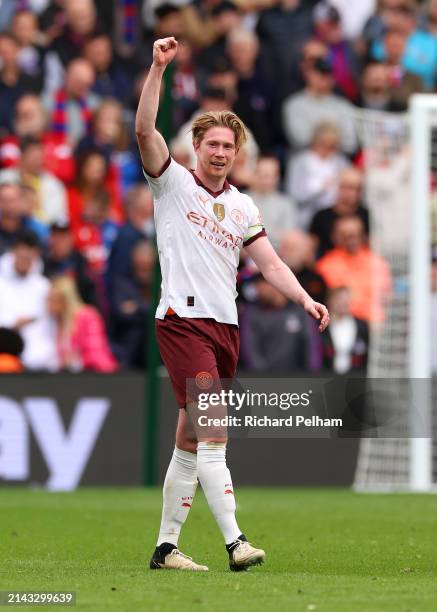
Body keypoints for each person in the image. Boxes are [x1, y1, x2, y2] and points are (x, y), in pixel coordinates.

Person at [136, 36, 329, 572]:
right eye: (212, 143)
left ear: (236, 153)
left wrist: (306, 298)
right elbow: (143, 130)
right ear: (196, 146)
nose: (220, 152)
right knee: (215, 430)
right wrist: (158, 69)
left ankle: (166, 547)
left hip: (225, 327)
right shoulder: (171, 184)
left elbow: (269, 265)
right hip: (183, 321)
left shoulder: (243, 205)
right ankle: (235, 542)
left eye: (229, 146)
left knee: (190, 442)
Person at [47, 275, 118, 372]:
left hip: (95, 375)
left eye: (53, 300)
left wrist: (75, 361)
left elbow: (95, 353)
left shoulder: (88, 316)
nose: (48, 304)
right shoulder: (56, 323)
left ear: (65, 300)